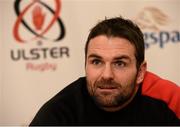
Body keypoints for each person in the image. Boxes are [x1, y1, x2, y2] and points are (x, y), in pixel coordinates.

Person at [30, 17, 180, 125]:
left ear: (140, 72)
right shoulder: (59, 113)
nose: (107, 75)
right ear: (85, 65)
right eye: (96, 62)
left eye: (120, 63)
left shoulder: (168, 100)